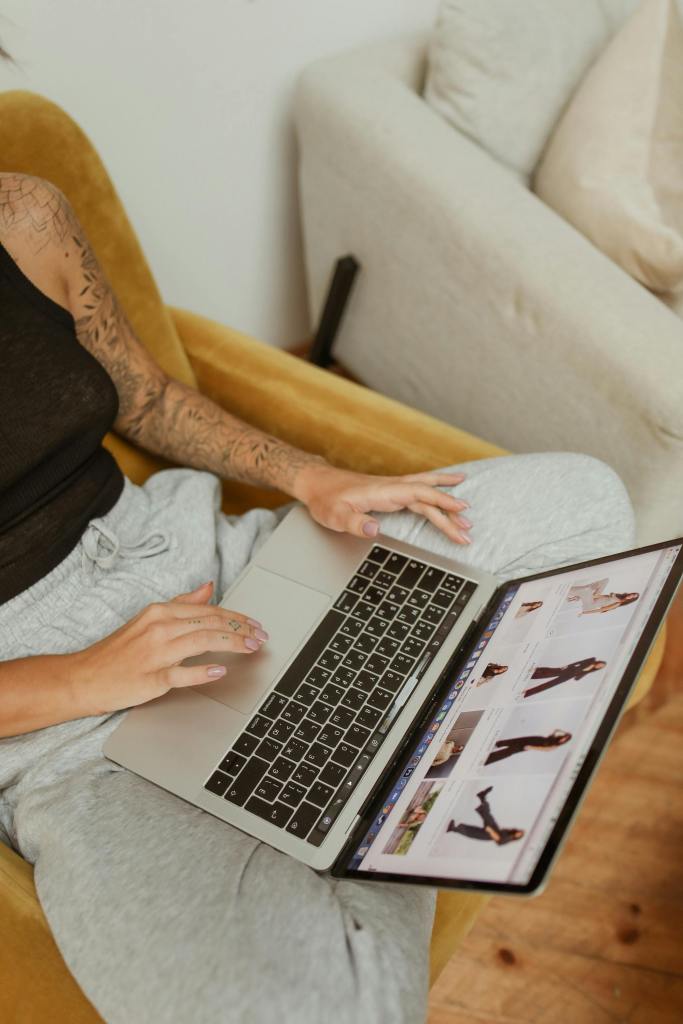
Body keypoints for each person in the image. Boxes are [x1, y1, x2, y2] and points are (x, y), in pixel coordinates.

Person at [0, 164, 637, 1024]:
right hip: (63, 723)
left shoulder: (23, 216)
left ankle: (343, 765)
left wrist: (310, 476)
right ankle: (368, 767)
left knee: (578, 501)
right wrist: (87, 677)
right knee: (326, 1006)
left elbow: (145, 398)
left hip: (214, 566)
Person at [446, 787, 524, 846]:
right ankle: (482, 797)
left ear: (517, 837)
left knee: (472, 832)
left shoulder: (509, 838)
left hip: (490, 834)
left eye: (519, 834)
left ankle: (453, 828)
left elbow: (499, 840)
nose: (518, 833)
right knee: (486, 815)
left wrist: (490, 831)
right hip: (494, 829)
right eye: (520, 832)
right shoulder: (510, 834)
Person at [523, 657, 606, 698]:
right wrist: (567, 666)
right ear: (600, 662)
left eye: (601, 667)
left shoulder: (591, 670)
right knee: (550, 672)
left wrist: (579, 676)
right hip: (569, 669)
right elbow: (579, 662)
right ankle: (533, 673)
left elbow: (577, 677)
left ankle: (527, 693)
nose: (599, 666)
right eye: (601, 664)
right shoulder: (592, 660)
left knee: (549, 685)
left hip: (569, 676)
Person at [484, 728, 572, 765]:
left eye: (565, 739)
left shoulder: (555, 746)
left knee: (510, 751)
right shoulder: (555, 738)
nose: (563, 739)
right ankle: (496, 744)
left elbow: (544, 750)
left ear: (565, 741)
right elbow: (556, 730)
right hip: (534, 739)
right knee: (513, 741)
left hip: (530, 745)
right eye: (564, 737)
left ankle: (488, 759)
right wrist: (564, 733)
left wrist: (531, 747)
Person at [568, 580, 639, 615]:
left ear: (631, 599)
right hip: (594, 599)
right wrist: (593, 595)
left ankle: (571, 592)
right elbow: (603, 596)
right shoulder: (619, 596)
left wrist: (584, 613)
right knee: (605, 581)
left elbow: (601, 610)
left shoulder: (618, 603)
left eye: (633, 597)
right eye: (633, 594)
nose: (631, 596)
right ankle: (578, 597)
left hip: (590, 605)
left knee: (586, 590)